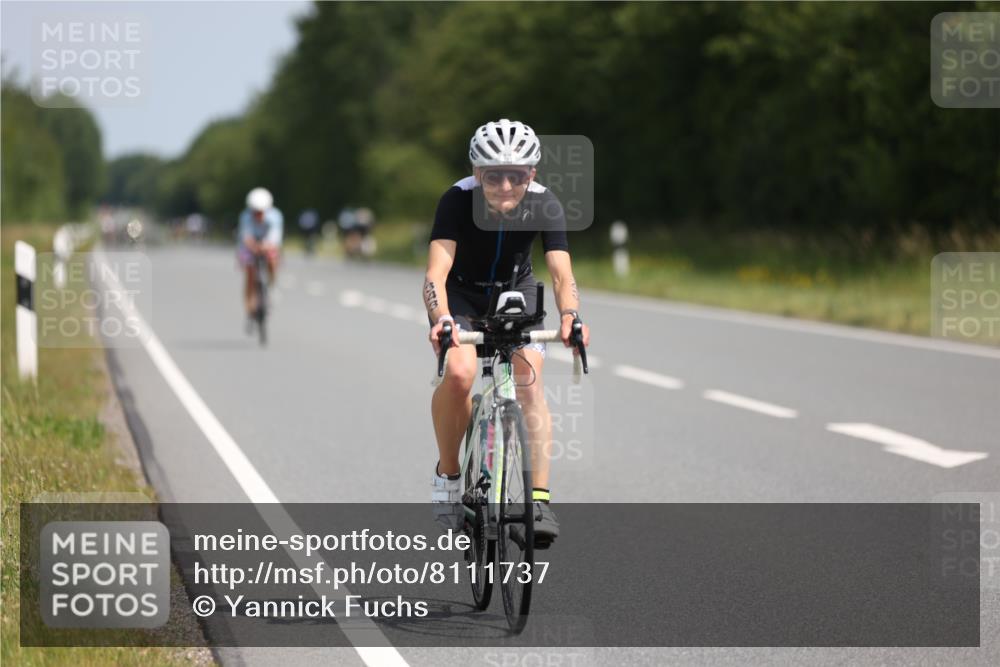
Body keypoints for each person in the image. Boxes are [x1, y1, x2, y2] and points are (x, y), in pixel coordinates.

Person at [423, 119, 590, 547]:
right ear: (477, 172)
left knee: (528, 381)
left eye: (515, 176)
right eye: (493, 176)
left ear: (531, 174)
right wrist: (442, 318)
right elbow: (436, 274)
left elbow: (561, 273)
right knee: (459, 374)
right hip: (462, 296)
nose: (504, 186)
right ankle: (448, 476)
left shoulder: (544, 202)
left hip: (517, 294)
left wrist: (570, 316)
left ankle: (539, 501)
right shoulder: (456, 200)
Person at [238, 187, 283, 330]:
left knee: (273, 259)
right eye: (255, 212)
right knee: (249, 272)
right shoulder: (245, 217)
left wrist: (266, 247)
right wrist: (253, 248)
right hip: (250, 246)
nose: (258, 215)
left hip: (267, 245)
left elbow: (275, 239)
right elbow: (245, 237)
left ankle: (272, 285)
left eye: (261, 212)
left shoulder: (275, 216)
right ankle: (249, 308)